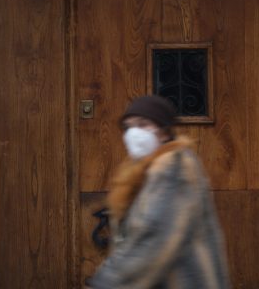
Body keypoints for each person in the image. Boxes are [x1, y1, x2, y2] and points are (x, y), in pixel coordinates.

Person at [87, 95, 231, 289]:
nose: (134, 133)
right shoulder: (142, 170)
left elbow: (155, 237)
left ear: (164, 132)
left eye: (143, 124)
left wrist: (108, 280)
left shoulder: (174, 168)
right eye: (129, 127)